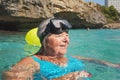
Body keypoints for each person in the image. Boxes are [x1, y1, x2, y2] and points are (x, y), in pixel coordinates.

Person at [3, 17, 120, 80]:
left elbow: (98, 62)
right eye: (59, 36)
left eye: (67, 36)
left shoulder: (71, 57)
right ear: (45, 41)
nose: (66, 40)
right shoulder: (31, 62)